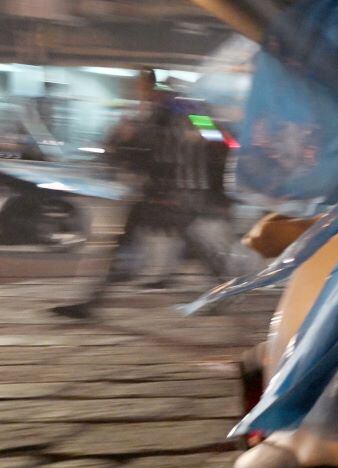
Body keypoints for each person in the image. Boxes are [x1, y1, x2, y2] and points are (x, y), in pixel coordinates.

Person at [53, 70, 228, 318]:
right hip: (156, 192)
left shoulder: (177, 108)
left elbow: (209, 138)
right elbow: (143, 151)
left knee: (194, 247)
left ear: (150, 85)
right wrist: (122, 142)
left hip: (172, 192)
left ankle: (91, 301)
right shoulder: (151, 112)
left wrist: (194, 138)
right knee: (176, 245)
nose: (139, 91)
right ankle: (91, 301)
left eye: (141, 85)